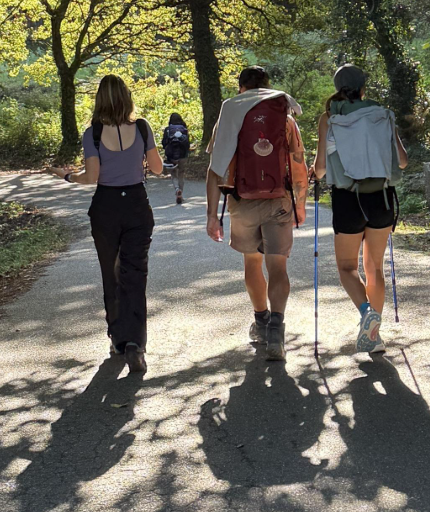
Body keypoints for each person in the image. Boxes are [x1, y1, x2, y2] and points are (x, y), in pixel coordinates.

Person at [50, 74, 163, 373]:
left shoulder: (94, 133)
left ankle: (118, 339)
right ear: (127, 97)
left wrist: (66, 176)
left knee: (111, 273)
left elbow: (91, 177)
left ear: (99, 100)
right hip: (137, 204)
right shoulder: (142, 127)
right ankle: (136, 344)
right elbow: (157, 168)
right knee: (135, 274)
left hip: (106, 207)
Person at [206, 65, 309, 361]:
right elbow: (298, 163)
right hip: (279, 200)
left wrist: (212, 215)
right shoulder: (284, 116)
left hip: (243, 202)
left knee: (252, 263)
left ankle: (261, 322)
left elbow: (215, 168)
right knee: (278, 267)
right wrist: (300, 204)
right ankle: (277, 329)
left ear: (241, 87)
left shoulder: (230, 114)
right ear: (267, 86)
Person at [309, 64, 408, 355]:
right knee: (374, 267)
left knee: (346, 267)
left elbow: (320, 169)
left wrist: (313, 171)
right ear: (364, 87)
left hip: (348, 199)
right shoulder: (383, 114)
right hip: (382, 198)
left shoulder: (330, 117)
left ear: (337, 87)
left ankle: (367, 313)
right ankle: (374, 337)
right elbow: (402, 161)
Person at [161, 112, 191, 204]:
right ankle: (181, 192)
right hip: (183, 155)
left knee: (173, 174)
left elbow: (164, 143)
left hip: (172, 156)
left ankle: (177, 189)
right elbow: (187, 143)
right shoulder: (184, 129)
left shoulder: (168, 130)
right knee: (181, 173)